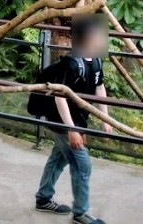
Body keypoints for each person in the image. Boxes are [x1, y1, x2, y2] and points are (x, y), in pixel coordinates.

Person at [33, 15, 111, 224]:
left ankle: (43, 197)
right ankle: (81, 213)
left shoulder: (95, 60)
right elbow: (59, 97)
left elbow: (99, 88)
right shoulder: (70, 64)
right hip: (61, 122)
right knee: (82, 165)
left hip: (74, 123)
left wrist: (105, 118)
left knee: (58, 159)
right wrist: (72, 130)